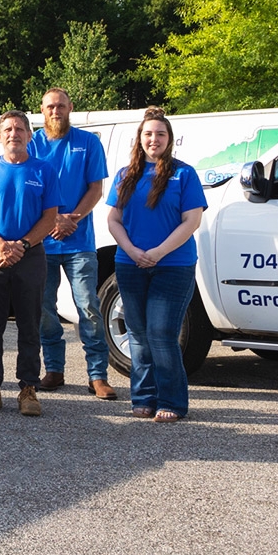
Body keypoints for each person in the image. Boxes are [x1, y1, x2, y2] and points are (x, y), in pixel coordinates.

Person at [104, 108, 206, 423]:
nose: (154, 139)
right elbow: (113, 219)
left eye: (160, 134)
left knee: (162, 333)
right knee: (137, 334)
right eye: (148, 133)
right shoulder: (125, 175)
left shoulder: (184, 174)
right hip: (130, 263)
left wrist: (158, 252)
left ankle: (172, 401)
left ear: (169, 139)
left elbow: (192, 220)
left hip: (173, 264)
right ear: (140, 138)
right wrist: (132, 250)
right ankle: (143, 398)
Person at [0, 111, 65, 417]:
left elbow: (49, 217)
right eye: (7, 129)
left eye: (20, 129)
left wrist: (21, 246)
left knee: (29, 324)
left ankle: (28, 388)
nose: (14, 133)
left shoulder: (44, 170)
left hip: (30, 253)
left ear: (29, 135)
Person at [30, 87, 116, 399]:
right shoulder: (32, 143)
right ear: (42, 110)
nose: (56, 112)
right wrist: (53, 221)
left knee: (89, 307)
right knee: (44, 309)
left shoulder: (88, 142)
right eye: (50, 107)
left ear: (71, 108)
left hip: (79, 243)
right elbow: (29, 190)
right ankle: (54, 370)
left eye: (61, 106)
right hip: (42, 242)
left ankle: (98, 376)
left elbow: (96, 188)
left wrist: (72, 219)